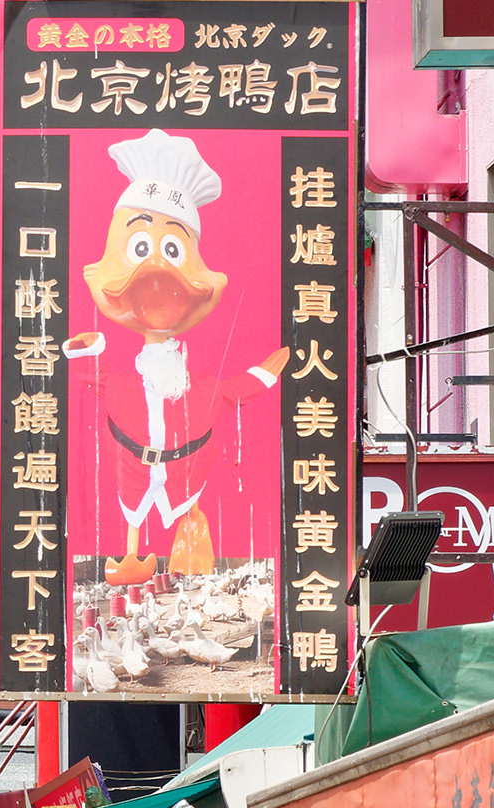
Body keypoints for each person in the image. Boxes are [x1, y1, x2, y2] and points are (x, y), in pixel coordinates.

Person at [64, 129, 292, 583]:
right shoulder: (122, 384)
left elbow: (232, 394)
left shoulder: (200, 393)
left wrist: (264, 376)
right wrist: (85, 348)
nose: (156, 273)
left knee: (187, 503)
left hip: (189, 461)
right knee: (133, 509)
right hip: (133, 460)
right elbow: (94, 375)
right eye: (140, 249)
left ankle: (191, 539)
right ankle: (130, 558)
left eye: (172, 251)